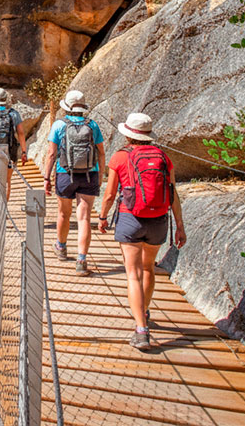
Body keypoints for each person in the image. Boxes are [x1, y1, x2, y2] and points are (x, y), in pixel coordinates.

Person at [98, 112, 186, 351]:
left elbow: (109, 194)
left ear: (128, 135)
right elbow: (173, 193)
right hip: (158, 220)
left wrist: (103, 217)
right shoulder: (164, 158)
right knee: (148, 268)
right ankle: (144, 312)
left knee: (133, 274)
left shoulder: (120, 157)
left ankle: (141, 330)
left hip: (130, 219)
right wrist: (179, 225)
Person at [43, 90, 105, 276]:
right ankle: (81, 260)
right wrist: (100, 176)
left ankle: (61, 248)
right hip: (89, 174)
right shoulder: (93, 125)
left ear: (67, 107)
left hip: (65, 173)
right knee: (84, 218)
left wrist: (46, 178)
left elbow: (51, 154)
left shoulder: (59, 125)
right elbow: (101, 153)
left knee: (63, 214)